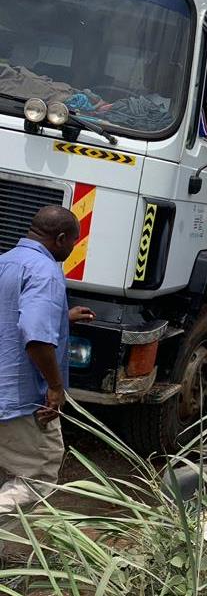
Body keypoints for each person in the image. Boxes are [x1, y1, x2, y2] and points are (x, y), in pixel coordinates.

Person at [0, 206, 95, 515]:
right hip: (20, 399)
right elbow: (35, 335)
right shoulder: (46, 272)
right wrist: (55, 387)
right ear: (61, 238)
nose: (72, 250)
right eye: (73, 244)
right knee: (37, 478)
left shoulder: (6, 262)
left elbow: (12, 315)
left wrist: (62, 318)